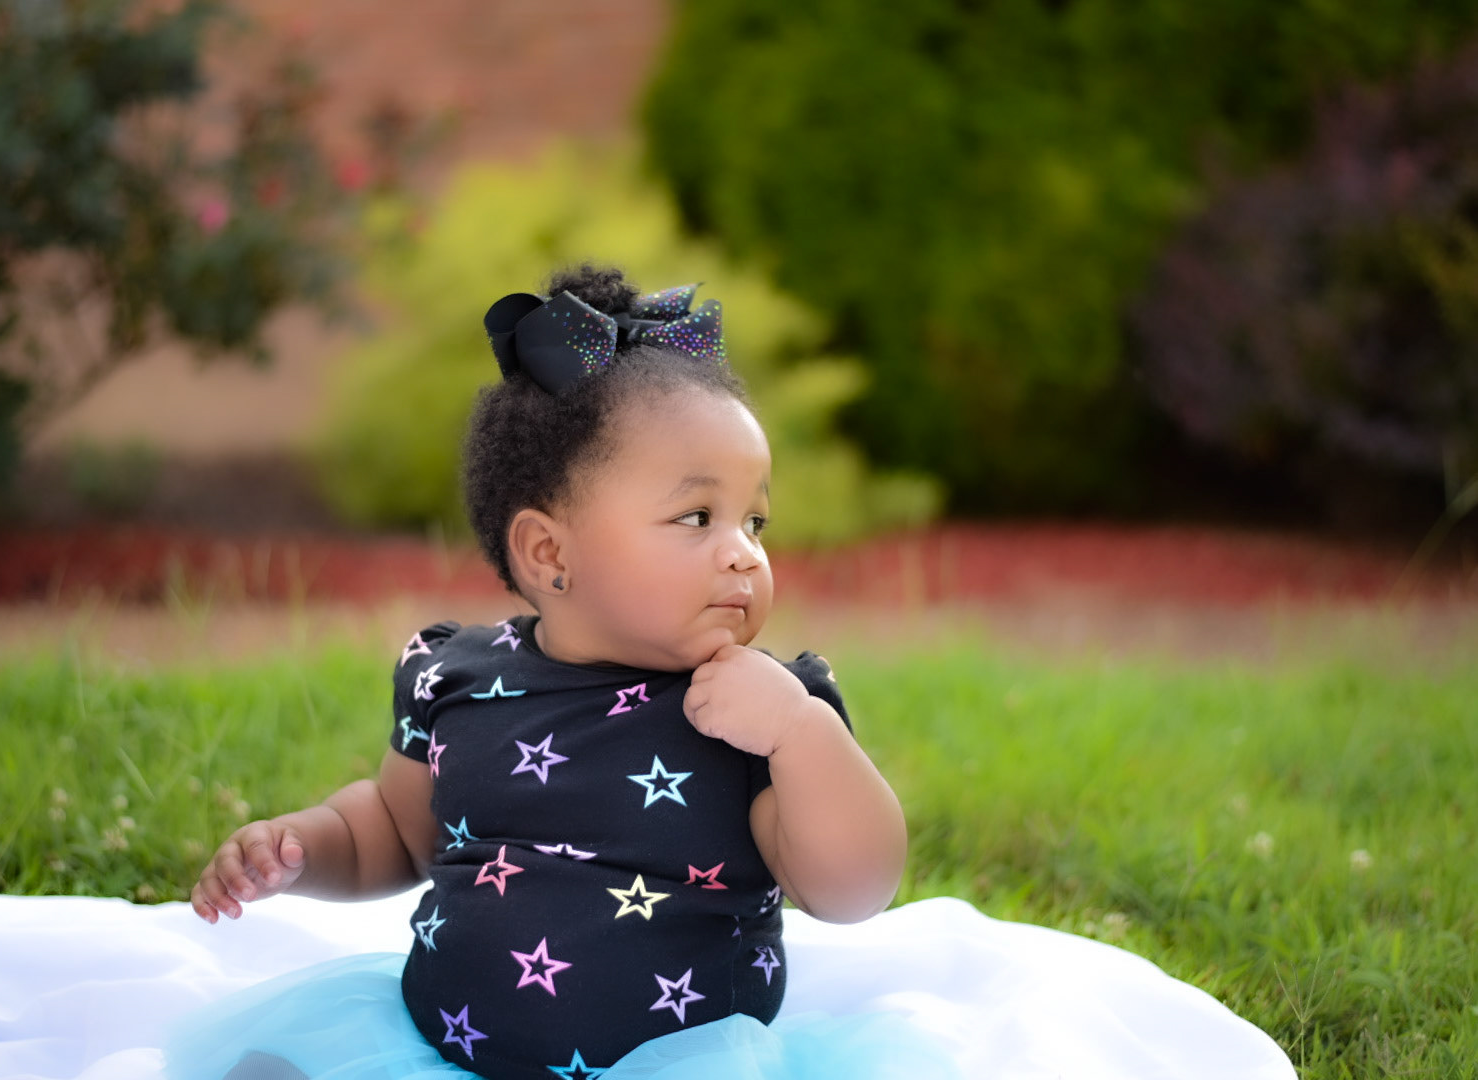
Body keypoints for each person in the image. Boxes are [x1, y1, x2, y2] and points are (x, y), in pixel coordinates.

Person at [174, 265, 951, 1080]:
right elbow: (397, 834)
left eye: (754, 521)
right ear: (549, 553)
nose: (744, 553)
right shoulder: (456, 677)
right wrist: (302, 847)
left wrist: (801, 732)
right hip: (450, 1056)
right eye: (697, 516)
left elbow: (853, 889)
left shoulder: (759, 708)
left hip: (681, 1066)